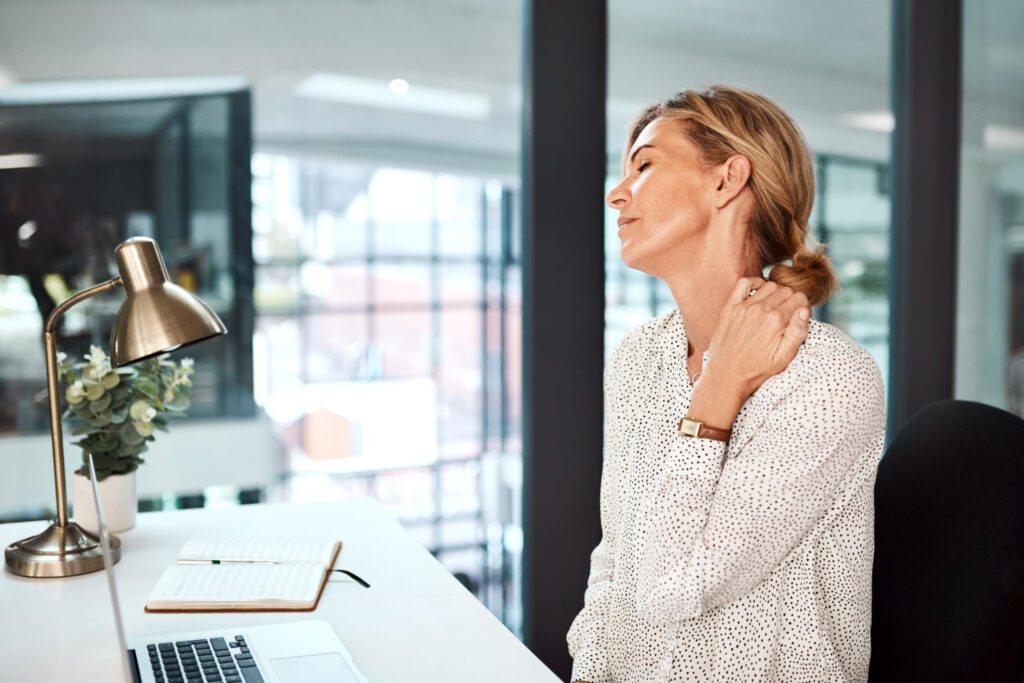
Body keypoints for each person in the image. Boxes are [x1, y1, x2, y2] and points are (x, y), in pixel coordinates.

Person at [567, 85, 886, 682]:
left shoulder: (829, 378)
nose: (617, 194)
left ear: (726, 180)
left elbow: (673, 586)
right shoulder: (640, 356)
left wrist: (718, 392)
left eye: (643, 165)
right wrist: (589, 672)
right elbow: (618, 556)